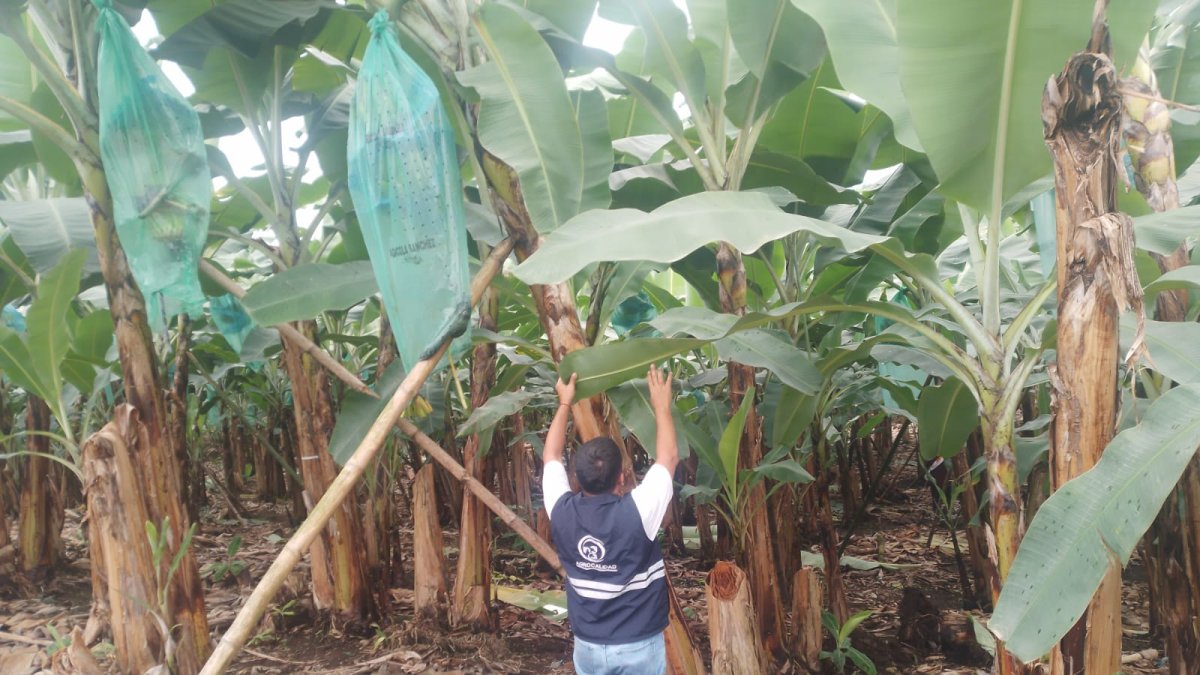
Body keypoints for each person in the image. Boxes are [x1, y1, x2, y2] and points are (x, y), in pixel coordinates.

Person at [542, 367, 680, 675]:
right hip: (638, 647)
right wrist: (660, 406)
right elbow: (669, 458)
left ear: (576, 477)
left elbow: (550, 456)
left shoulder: (561, 510)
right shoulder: (639, 511)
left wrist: (565, 403)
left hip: (588, 646)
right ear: (621, 477)